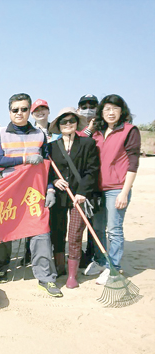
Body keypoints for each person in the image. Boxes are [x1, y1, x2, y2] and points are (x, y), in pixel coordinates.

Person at [0, 93, 62, 297]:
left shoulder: (40, 135)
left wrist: (50, 188)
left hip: (34, 192)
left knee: (40, 232)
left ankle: (45, 278)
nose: (20, 113)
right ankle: (1, 267)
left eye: (24, 109)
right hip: (9, 192)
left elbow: (46, 166)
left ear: (29, 110)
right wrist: (25, 158)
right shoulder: (1, 133)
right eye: (15, 110)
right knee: (4, 233)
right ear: (9, 112)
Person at [84, 94, 141, 285]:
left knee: (114, 230)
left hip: (117, 189)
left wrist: (125, 192)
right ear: (101, 112)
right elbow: (78, 142)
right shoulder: (98, 132)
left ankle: (113, 267)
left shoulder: (129, 130)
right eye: (107, 109)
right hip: (97, 189)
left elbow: (133, 163)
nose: (111, 112)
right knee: (98, 228)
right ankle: (101, 261)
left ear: (121, 111)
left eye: (115, 109)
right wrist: (90, 128)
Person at [47, 108, 99, 288]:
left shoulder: (88, 144)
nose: (68, 124)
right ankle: (60, 267)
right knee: (58, 231)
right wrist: (54, 180)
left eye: (71, 121)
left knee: (75, 233)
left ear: (77, 123)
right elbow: (49, 171)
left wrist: (83, 192)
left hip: (80, 196)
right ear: (58, 126)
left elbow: (92, 171)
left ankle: (72, 274)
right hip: (60, 196)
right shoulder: (52, 147)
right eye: (64, 122)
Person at [76, 94, 99, 267]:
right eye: (84, 106)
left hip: (99, 185)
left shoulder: (104, 129)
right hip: (79, 187)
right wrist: (88, 130)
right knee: (77, 224)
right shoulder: (76, 130)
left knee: (96, 224)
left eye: (92, 105)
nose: (88, 108)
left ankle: (93, 254)